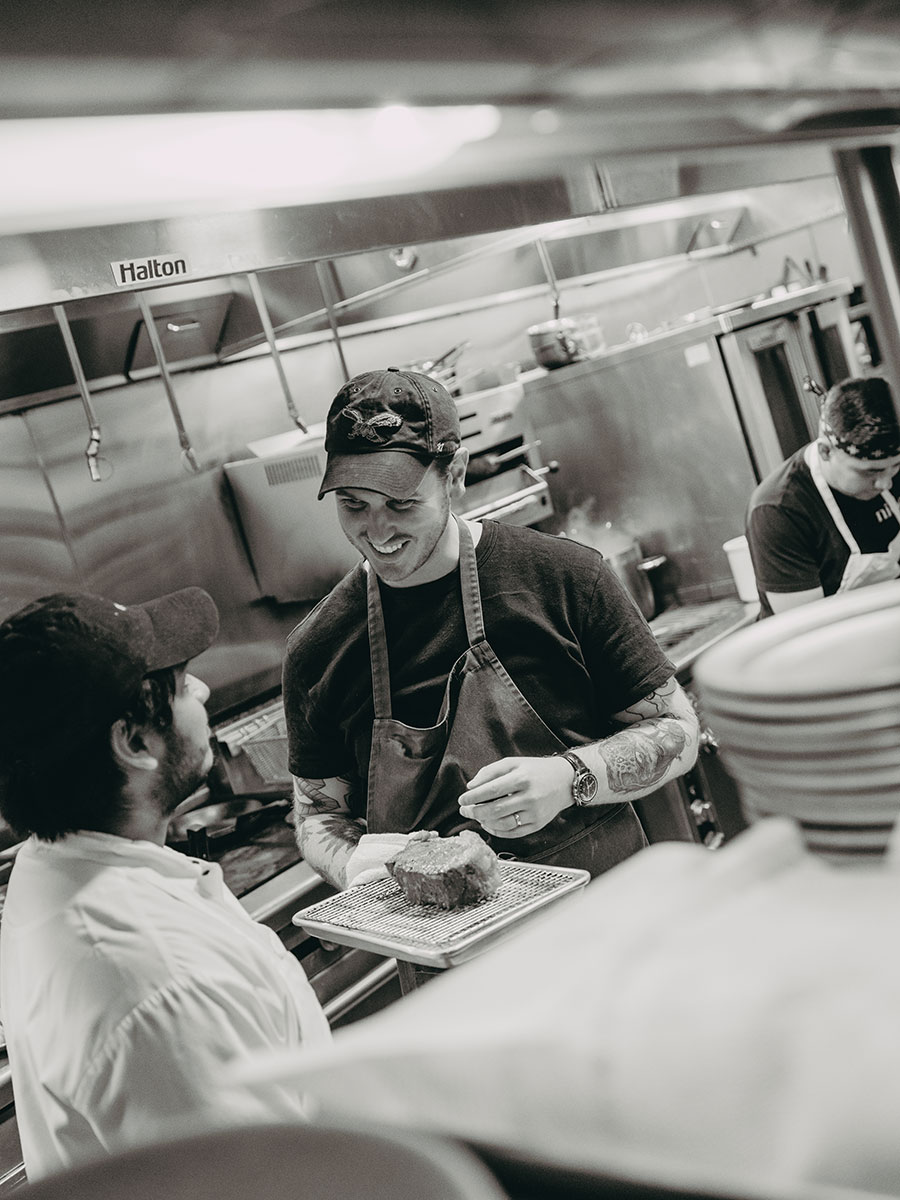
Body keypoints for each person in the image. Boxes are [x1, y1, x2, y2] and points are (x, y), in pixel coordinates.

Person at [283, 367, 700, 889]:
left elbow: (678, 732)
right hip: (440, 935)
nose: (378, 530)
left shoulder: (563, 578)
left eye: (402, 503)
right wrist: (349, 864)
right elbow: (318, 814)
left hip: (605, 911)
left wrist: (571, 777)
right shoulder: (318, 648)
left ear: (455, 474)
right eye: (353, 505)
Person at [0, 587, 331, 1181]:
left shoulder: (49, 866)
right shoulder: (161, 985)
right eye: (179, 685)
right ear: (133, 742)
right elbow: (269, 1184)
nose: (201, 690)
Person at [746, 374, 900, 617]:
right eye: (870, 472)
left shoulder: (889, 470)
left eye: (895, 467)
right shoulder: (779, 509)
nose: (885, 483)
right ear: (826, 451)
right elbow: (805, 626)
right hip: (824, 635)